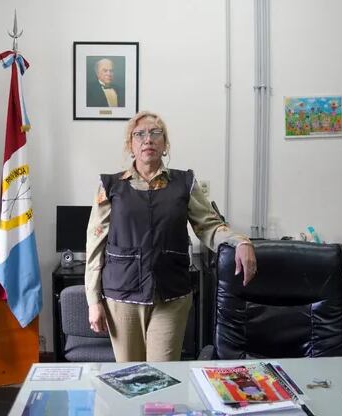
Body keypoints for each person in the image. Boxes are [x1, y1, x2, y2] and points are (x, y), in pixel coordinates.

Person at [84, 111, 257, 362]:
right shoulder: (111, 186)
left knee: (162, 375)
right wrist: (93, 301)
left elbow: (208, 226)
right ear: (130, 145)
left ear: (165, 144)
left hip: (170, 294)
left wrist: (240, 241)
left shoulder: (184, 183)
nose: (148, 139)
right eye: (139, 134)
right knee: (128, 375)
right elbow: (95, 243)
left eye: (156, 133)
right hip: (122, 295)